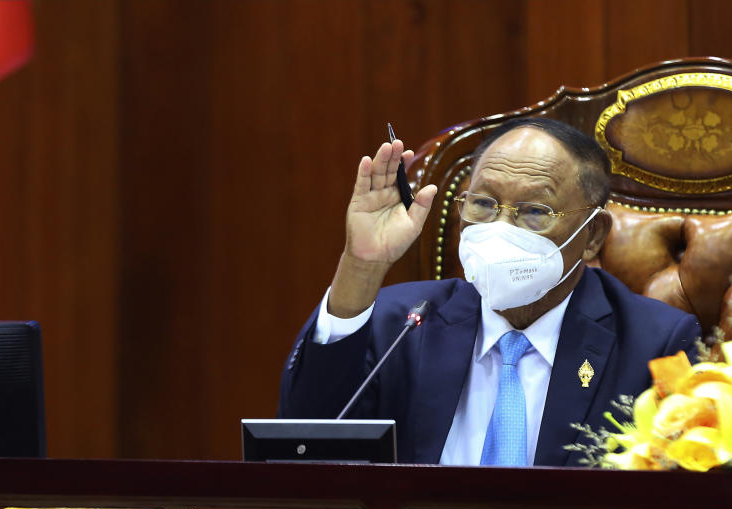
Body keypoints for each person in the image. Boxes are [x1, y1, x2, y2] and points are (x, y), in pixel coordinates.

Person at [278, 118, 700, 466]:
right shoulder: (401, 323)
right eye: (482, 204)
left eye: (535, 211)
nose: (501, 228)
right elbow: (302, 449)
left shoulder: (654, 345)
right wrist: (362, 266)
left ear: (592, 235)